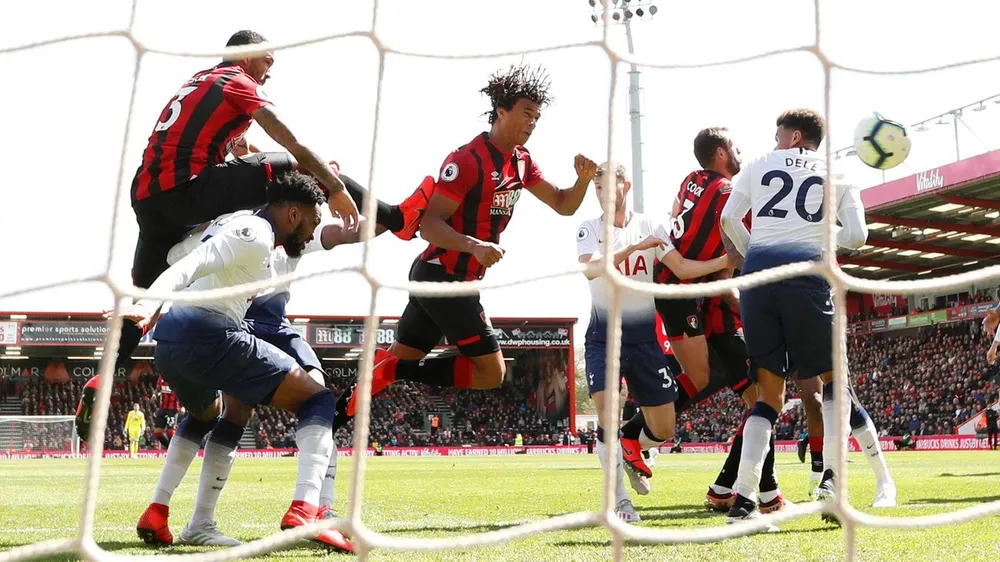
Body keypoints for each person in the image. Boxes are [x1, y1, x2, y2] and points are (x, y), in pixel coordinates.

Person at [73, 29, 433, 440]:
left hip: (149, 199)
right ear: (245, 55)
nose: (269, 71)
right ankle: (399, 217)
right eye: (267, 60)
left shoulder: (198, 83)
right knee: (301, 164)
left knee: (145, 301)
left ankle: (100, 383)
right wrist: (332, 187)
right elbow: (290, 141)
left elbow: (235, 148)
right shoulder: (235, 82)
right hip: (185, 189)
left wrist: (246, 157)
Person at [331, 64, 596, 427]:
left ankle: (329, 424)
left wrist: (581, 181)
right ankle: (396, 371)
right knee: (490, 372)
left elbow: (564, 204)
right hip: (445, 277)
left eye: (537, 116)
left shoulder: (521, 163)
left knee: (385, 367)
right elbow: (429, 224)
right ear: (501, 111)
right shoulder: (466, 160)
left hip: (443, 278)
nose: (532, 123)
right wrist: (474, 246)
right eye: (526, 114)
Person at [122, 171, 353, 552]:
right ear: (293, 214)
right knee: (319, 400)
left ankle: (160, 511)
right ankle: (306, 510)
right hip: (209, 335)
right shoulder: (255, 234)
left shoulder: (231, 223)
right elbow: (186, 266)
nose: (312, 232)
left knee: (208, 414)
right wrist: (147, 305)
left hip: (170, 343)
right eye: (312, 222)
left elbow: (176, 254)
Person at [719, 108, 868, 527]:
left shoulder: (759, 165)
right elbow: (857, 236)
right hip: (806, 276)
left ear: (794, 135)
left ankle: (744, 500)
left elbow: (729, 219)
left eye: (778, 134)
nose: (774, 141)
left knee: (769, 396)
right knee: (835, 382)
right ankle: (833, 483)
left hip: (759, 278)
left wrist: (754, 257)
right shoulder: (838, 170)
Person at [577, 161, 731, 522]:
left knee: (663, 429)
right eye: (596, 189)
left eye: (606, 187)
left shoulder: (650, 225)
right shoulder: (589, 229)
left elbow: (682, 269)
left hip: (644, 341)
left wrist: (728, 259)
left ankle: (634, 456)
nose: (601, 195)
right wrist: (635, 249)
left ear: (625, 186)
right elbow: (592, 267)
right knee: (608, 415)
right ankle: (619, 502)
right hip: (604, 338)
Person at [152, 377, 179, 448]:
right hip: (163, 408)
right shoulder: (161, 377)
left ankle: (172, 450)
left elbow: (182, 391)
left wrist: (182, 406)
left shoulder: (177, 376)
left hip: (173, 408)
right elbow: (158, 389)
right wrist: (154, 395)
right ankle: (170, 448)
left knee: (170, 432)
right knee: (157, 432)